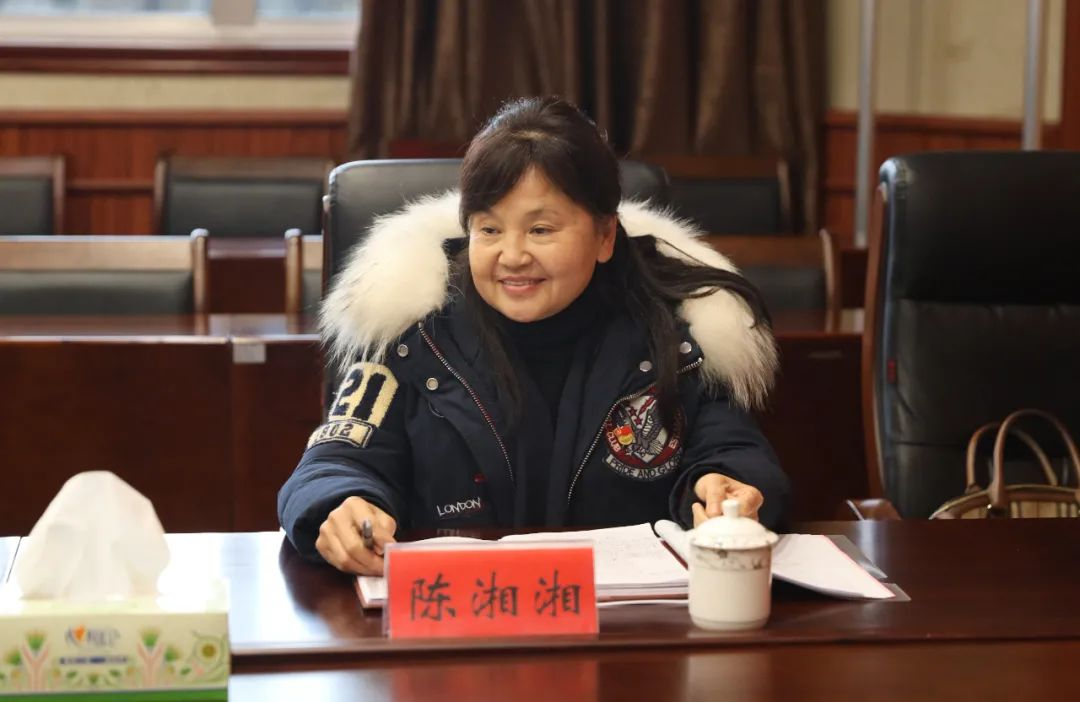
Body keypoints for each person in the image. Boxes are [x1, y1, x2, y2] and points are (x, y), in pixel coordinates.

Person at [279, 96, 789, 575]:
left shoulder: (674, 335)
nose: (513, 255)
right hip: (460, 618)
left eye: (541, 230)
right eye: (489, 229)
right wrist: (341, 504)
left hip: (625, 623)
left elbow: (734, 451)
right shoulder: (414, 333)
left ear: (605, 235)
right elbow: (334, 460)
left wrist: (724, 486)